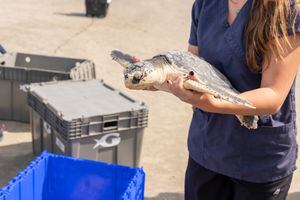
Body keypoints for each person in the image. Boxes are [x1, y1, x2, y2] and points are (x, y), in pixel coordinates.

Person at [166, 0, 300, 200]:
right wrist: (160, 77)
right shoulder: (205, 4)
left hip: (259, 160)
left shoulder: (286, 10)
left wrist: (211, 103)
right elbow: (192, 65)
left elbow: (273, 95)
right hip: (207, 146)